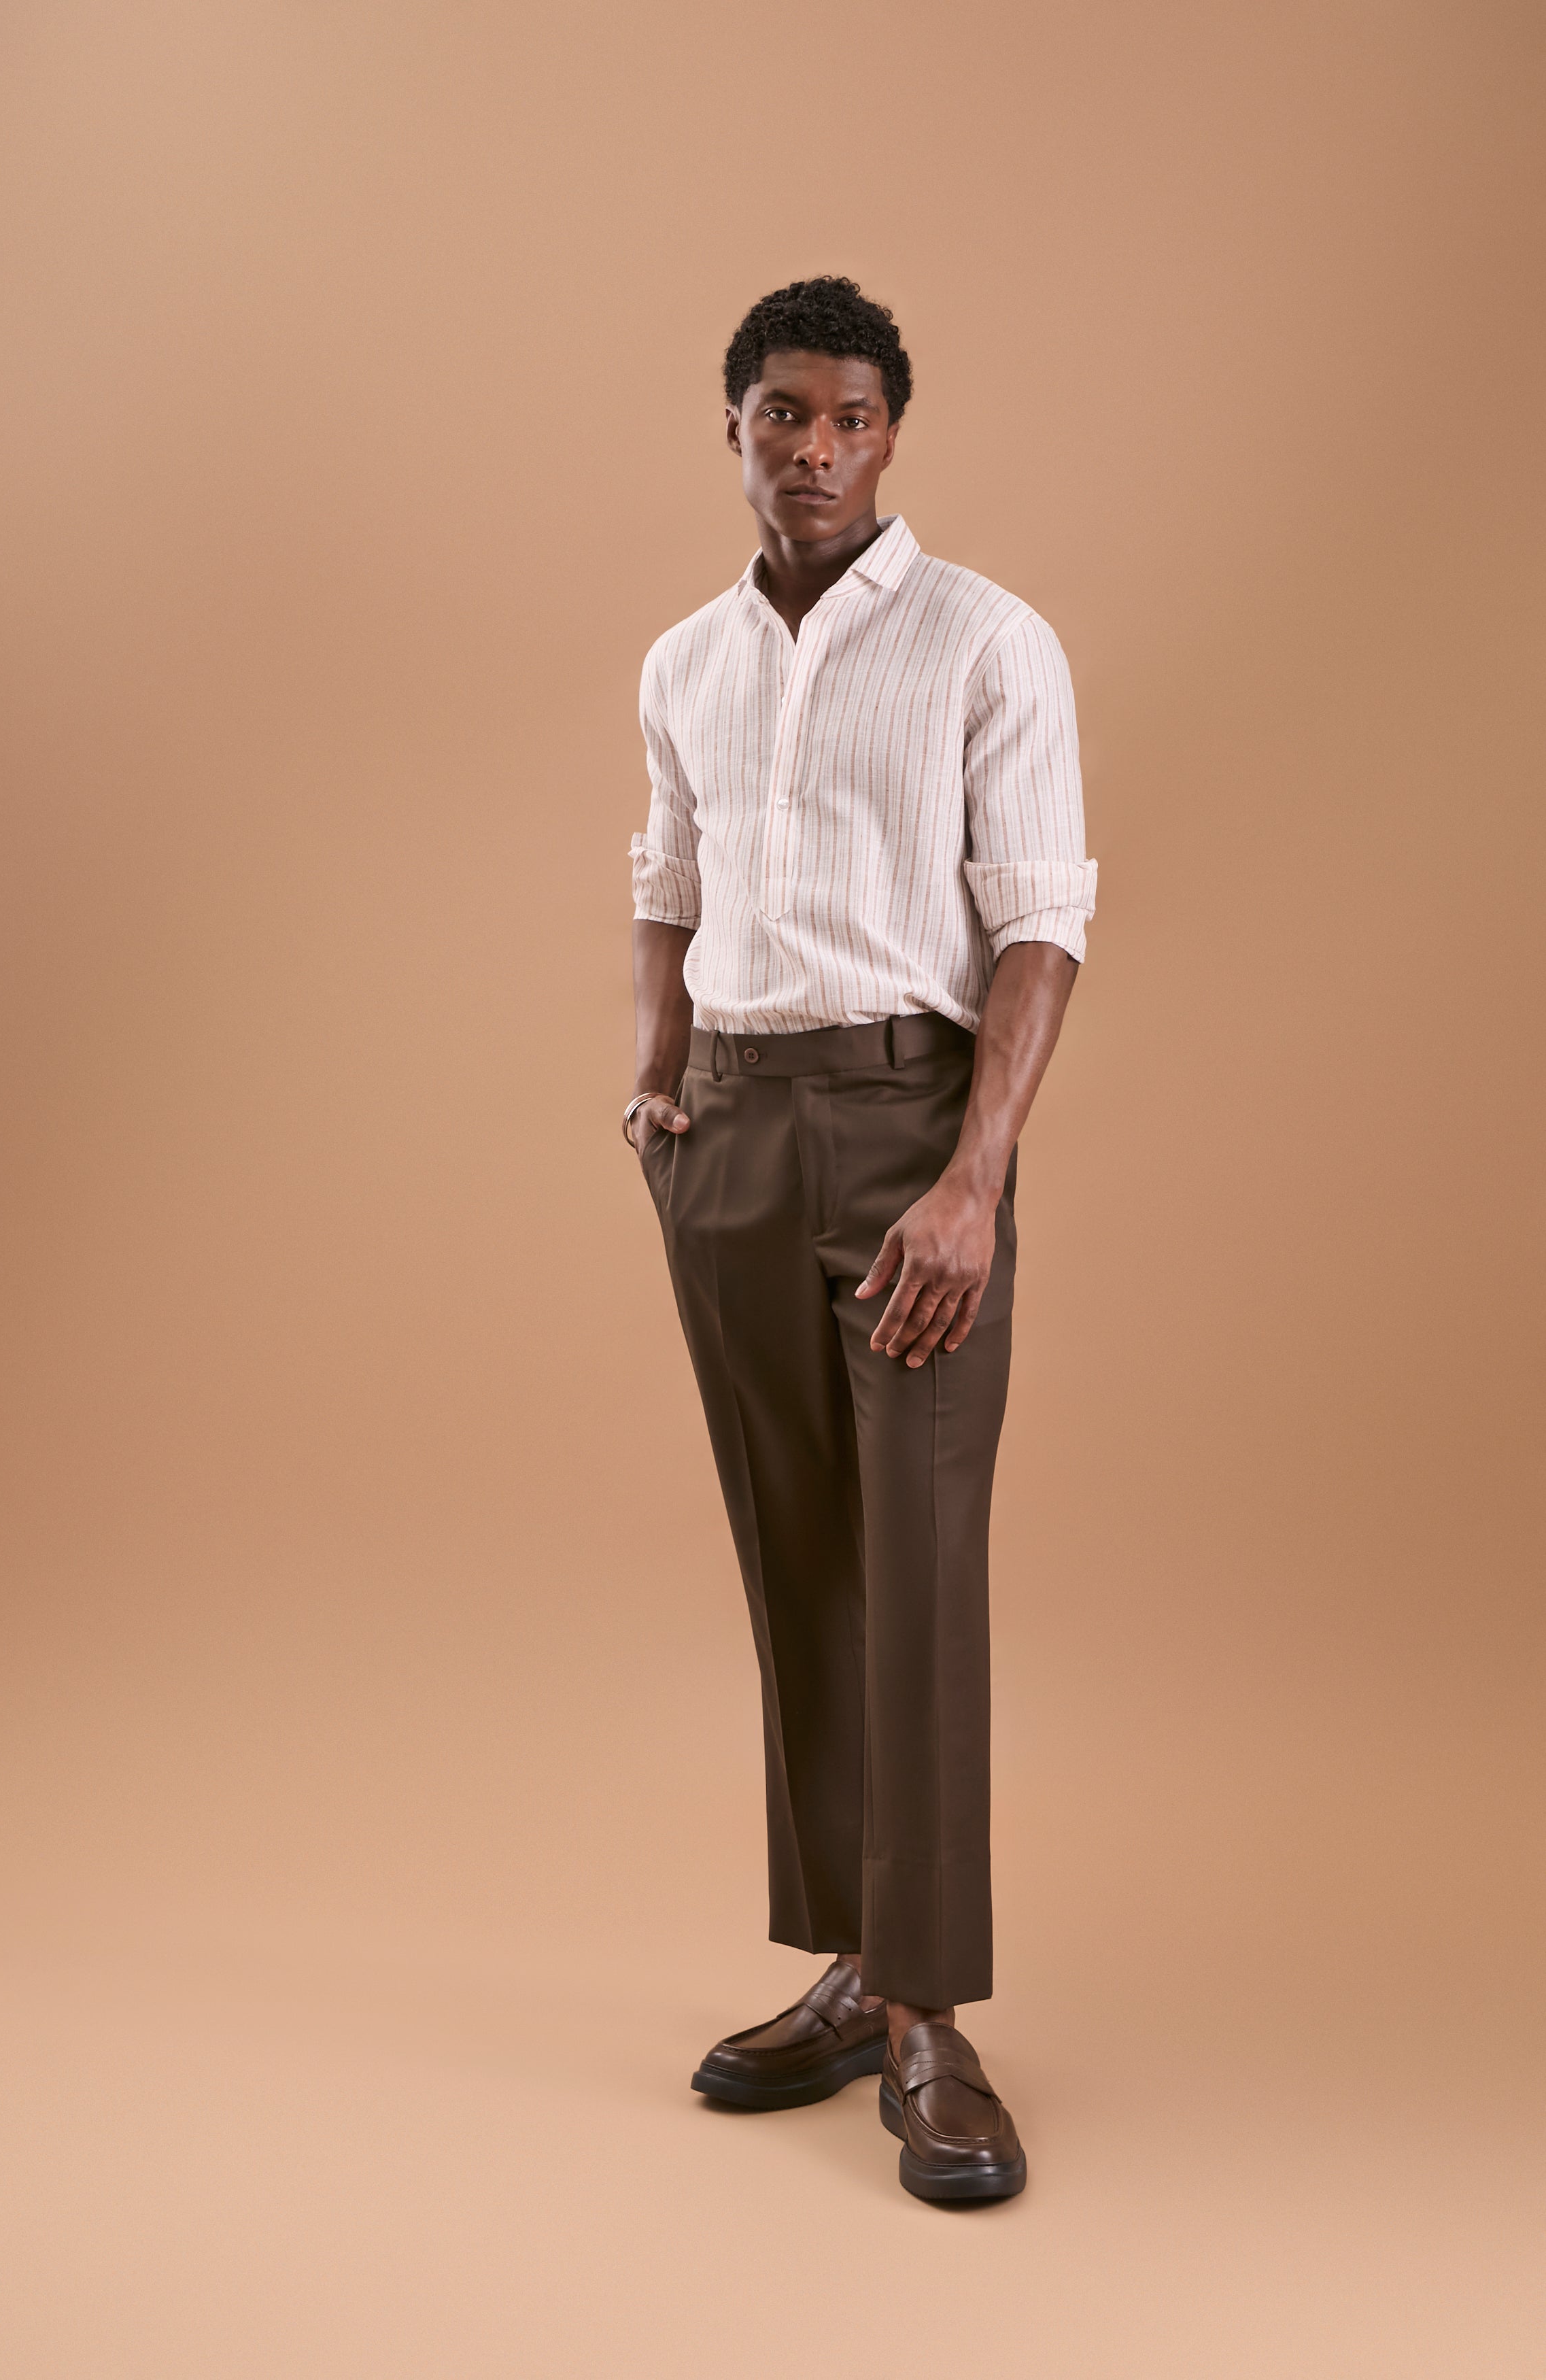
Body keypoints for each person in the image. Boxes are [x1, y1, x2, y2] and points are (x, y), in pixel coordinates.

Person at [625, 275, 1096, 2205]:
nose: (813, 450)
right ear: (735, 430)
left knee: (919, 1563)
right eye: (781, 416)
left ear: (892, 436)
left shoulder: (989, 639)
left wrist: (977, 1175)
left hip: (913, 1134)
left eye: (849, 419)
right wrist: (656, 1079)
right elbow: (668, 872)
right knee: (799, 1558)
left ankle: (929, 2016)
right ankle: (847, 1966)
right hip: (732, 1137)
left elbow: (1042, 917)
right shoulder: (685, 661)